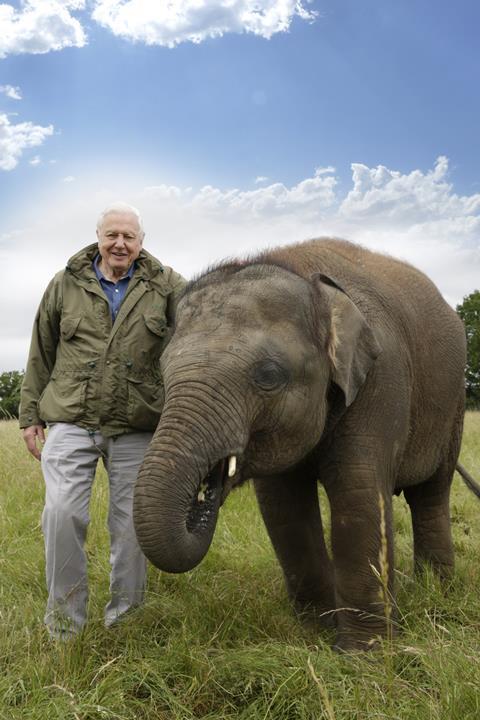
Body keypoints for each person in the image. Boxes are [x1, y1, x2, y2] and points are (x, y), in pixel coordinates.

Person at [19, 202, 186, 639]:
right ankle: (63, 625)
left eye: (129, 236)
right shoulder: (64, 283)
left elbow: (203, 320)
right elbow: (41, 350)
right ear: (98, 237)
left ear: (141, 242)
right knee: (60, 515)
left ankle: (125, 621)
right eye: (112, 234)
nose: (120, 243)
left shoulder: (167, 285)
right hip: (72, 418)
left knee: (133, 525)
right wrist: (29, 415)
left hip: (137, 423)